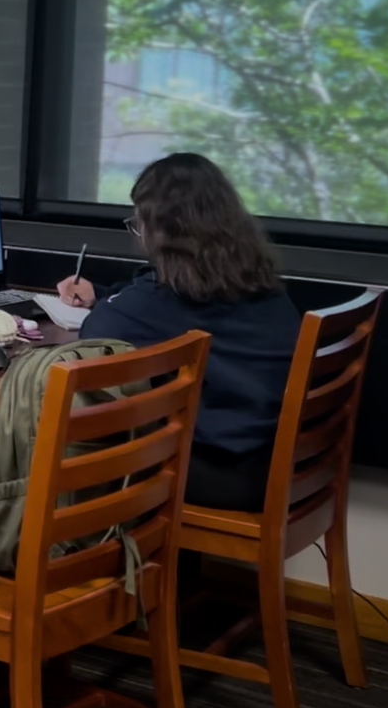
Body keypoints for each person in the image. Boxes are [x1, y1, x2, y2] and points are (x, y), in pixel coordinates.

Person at [55, 152, 301, 512]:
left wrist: (110, 303)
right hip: (270, 460)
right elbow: (149, 311)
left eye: (140, 225)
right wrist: (104, 296)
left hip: (223, 472)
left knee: (88, 448)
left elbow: (100, 332)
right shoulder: (256, 282)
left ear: (165, 234)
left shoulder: (166, 299)